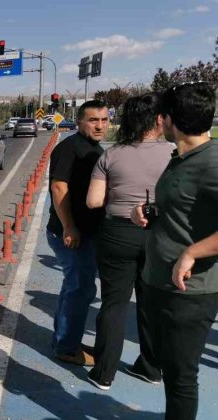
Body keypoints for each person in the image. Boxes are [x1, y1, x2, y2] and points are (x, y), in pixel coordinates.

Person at [125, 82, 218, 420]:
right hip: (157, 281)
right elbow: (184, 207)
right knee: (166, 365)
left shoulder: (213, 162)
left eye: (162, 116)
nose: (158, 122)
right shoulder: (180, 157)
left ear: (173, 120)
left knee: (182, 375)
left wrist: (192, 253)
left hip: (190, 291)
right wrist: (149, 211)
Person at [84, 94, 173, 390]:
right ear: (158, 120)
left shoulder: (111, 155)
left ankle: (104, 372)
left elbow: (94, 201)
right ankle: (150, 367)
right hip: (160, 235)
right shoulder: (174, 153)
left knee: (114, 303)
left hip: (118, 234)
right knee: (151, 303)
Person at [46, 99, 109, 365]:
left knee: (74, 287)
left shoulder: (96, 148)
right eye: (93, 120)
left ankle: (65, 339)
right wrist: (69, 227)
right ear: (80, 121)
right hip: (71, 232)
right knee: (81, 288)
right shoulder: (69, 148)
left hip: (87, 231)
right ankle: (66, 346)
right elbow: (59, 188)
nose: (100, 125)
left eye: (104, 120)